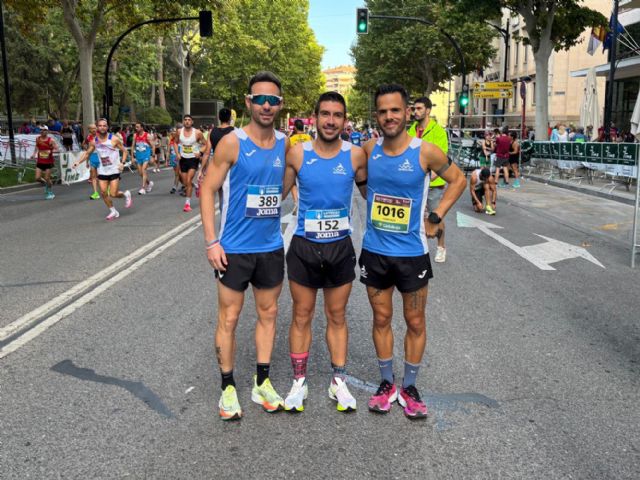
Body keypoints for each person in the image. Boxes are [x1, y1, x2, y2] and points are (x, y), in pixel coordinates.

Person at [360, 84, 465, 419]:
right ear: (376, 115)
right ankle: (387, 382)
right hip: (374, 251)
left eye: (395, 110)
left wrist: (436, 217)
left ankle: (410, 386)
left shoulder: (426, 152)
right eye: (382, 111)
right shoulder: (366, 149)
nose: (389, 117)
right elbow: (357, 182)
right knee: (381, 318)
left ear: (407, 112)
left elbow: (459, 180)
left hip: (412, 253)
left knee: (415, 319)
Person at [200, 71, 289, 420]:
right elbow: (208, 189)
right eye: (260, 99)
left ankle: (262, 382)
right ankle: (227, 388)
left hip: (269, 247)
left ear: (280, 106)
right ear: (249, 103)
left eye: (273, 100)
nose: (266, 106)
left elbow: (283, 188)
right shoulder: (232, 143)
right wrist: (211, 241)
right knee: (230, 317)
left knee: (268, 314)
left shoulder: (286, 144)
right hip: (233, 248)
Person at [281, 91, 367, 413]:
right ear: (315, 117)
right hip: (304, 246)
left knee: (337, 316)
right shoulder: (297, 154)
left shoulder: (356, 156)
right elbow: (276, 191)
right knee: (301, 315)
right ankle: (298, 383)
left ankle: (338, 381)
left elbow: (371, 192)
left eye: (337, 115)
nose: (331, 121)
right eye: (325, 114)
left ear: (345, 121)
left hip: (340, 248)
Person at [408, 96, 449, 263]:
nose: (415, 112)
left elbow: (443, 160)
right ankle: (413, 248)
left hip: (433, 185)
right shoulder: (411, 130)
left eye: (419, 108)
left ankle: (441, 247)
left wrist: (430, 177)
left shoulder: (438, 131)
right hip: (414, 185)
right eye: (414, 109)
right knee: (412, 218)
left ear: (428, 110)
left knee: (436, 218)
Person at [74, 118, 132, 220]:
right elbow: (87, 153)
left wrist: (122, 163)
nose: (102, 127)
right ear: (97, 127)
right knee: (103, 193)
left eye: (104, 125)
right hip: (102, 170)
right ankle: (113, 211)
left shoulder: (114, 139)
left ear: (107, 127)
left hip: (114, 169)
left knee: (113, 194)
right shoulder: (94, 141)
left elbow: (124, 151)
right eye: (100, 126)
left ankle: (126, 194)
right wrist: (78, 162)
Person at [200, 108, 235, 203]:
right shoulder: (235, 131)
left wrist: (201, 169)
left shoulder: (212, 131)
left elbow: (207, 152)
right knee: (231, 193)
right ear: (230, 118)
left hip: (217, 165)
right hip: (232, 166)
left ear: (219, 118)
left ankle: (222, 209)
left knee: (221, 193)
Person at [176, 114, 205, 212]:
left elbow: (206, 144)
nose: (187, 121)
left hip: (193, 159)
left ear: (192, 122)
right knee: (185, 182)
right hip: (183, 159)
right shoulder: (179, 132)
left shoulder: (197, 133)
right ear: (183, 122)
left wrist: (200, 152)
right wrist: (177, 153)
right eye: (185, 120)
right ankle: (196, 186)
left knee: (188, 180)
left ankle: (187, 204)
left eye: (189, 120)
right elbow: (175, 142)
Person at [287, 119, 312, 214]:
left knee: (292, 184)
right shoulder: (309, 137)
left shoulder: (291, 139)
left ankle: (296, 202)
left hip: (295, 165)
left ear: (295, 128)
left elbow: (287, 151)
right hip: (308, 164)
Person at [30, 126, 59, 200]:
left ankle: (49, 192)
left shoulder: (51, 140)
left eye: (45, 130)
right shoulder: (38, 139)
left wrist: (51, 151)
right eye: (42, 130)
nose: (43, 132)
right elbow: (37, 147)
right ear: (40, 131)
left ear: (47, 131)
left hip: (48, 162)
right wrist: (34, 154)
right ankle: (47, 184)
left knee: (47, 178)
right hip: (40, 161)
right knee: (37, 178)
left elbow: (57, 149)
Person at [132, 123, 154, 195]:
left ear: (142, 128)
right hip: (138, 156)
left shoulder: (147, 135)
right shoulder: (135, 135)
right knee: (140, 173)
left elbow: (153, 146)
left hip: (146, 156)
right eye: (136, 127)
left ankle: (143, 188)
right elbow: (132, 146)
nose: (136, 128)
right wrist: (132, 157)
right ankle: (149, 183)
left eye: (137, 127)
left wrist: (152, 156)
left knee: (144, 170)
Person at [82, 123, 101, 200]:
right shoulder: (88, 137)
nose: (94, 130)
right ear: (89, 130)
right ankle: (96, 193)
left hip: (101, 157)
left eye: (95, 128)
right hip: (92, 157)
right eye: (92, 128)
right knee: (93, 176)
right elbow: (84, 144)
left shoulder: (100, 135)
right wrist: (87, 161)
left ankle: (107, 189)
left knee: (102, 175)